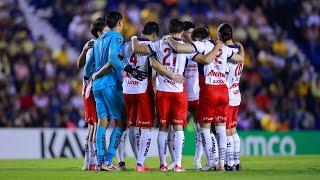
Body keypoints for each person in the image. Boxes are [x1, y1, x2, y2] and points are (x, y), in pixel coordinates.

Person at [132, 19, 221, 172]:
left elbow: (139, 49)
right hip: (179, 92)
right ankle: (179, 165)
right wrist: (217, 46)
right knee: (179, 128)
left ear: (169, 29)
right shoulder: (187, 48)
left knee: (163, 128)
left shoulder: (159, 44)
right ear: (181, 32)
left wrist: (134, 39)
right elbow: (206, 60)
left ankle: (163, 164)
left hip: (162, 91)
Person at [165, 25, 244, 171]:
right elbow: (239, 59)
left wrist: (169, 38)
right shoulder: (223, 48)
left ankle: (213, 162)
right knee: (221, 129)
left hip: (209, 91)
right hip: (223, 92)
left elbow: (179, 48)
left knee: (205, 129)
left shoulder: (201, 45)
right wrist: (242, 50)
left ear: (196, 38)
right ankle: (222, 162)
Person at [84, 11, 147, 171]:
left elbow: (87, 67)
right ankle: (108, 159)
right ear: (119, 23)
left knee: (102, 122)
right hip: (110, 84)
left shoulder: (97, 41)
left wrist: (89, 79)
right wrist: (130, 69)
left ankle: (99, 161)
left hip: (97, 86)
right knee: (121, 122)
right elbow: (113, 59)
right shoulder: (116, 37)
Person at [123, 21, 184, 172]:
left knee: (131, 126)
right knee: (147, 127)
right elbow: (155, 64)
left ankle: (130, 161)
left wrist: (132, 39)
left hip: (126, 88)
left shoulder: (127, 44)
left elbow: (119, 61)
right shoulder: (153, 46)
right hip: (143, 90)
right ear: (154, 35)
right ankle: (140, 163)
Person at [77, 18, 108, 171]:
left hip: (97, 88)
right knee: (94, 126)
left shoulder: (99, 47)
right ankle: (91, 161)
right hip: (91, 89)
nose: (108, 33)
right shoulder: (93, 48)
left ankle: (89, 162)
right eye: (106, 31)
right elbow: (84, 68)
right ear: (99, 33)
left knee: (93, 126)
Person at [219, 23, 244, 171]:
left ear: (220, 35)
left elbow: (225, 74)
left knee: (227, 130)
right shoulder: (239, 51)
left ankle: (230, 163)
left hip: (227, 95)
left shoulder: (226, 52)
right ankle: (237, 161)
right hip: (236, 93)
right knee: (233, 129)